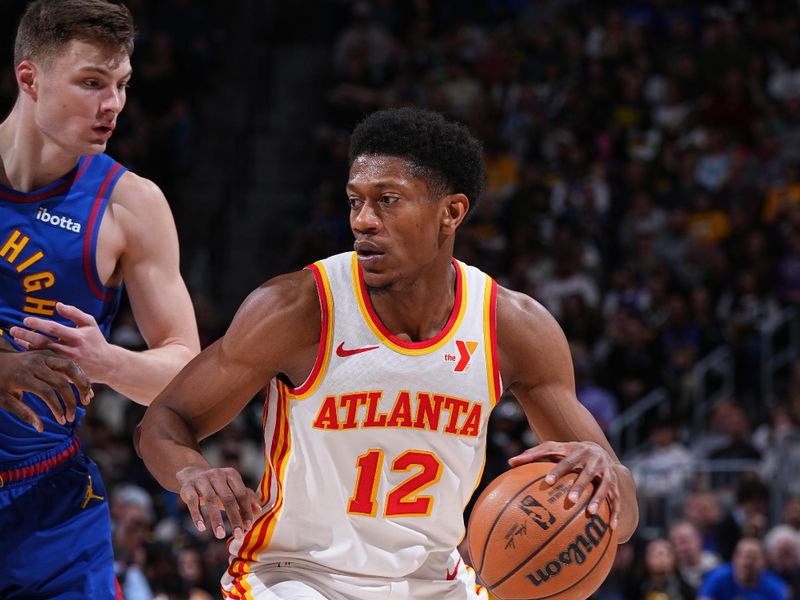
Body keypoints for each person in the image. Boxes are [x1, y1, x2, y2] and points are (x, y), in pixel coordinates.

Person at [136, 107, 638, 599]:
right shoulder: (298, 308)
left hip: (435, 581)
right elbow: (164, 421)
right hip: (295, 576)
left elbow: (626, 517)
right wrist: (192, 473)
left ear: (452, 212)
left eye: (388, 200)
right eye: (355, 202)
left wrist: (604, 474)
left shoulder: (513, 327)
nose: (364, 221)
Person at [0, 1, 200, 598]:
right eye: (91, 83)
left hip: (47, 504)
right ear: (30, 78)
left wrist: (108, 362)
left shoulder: (131, 206)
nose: (112, 104)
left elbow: (188, 373)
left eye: (122, 85)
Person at [698, 537, 789, 600]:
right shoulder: (717, 578)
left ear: (763, 562)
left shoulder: (775, 586)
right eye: (742, 556)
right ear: (734, 558)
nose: (747, 562)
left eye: (753, 558)